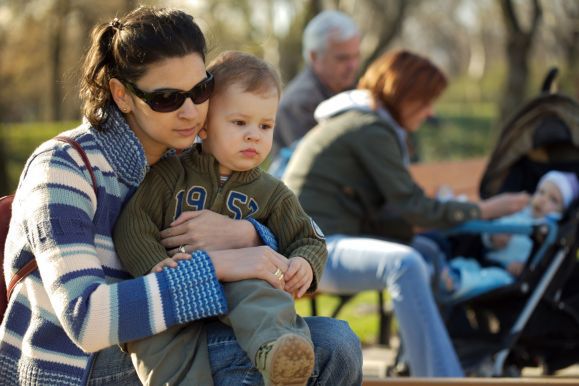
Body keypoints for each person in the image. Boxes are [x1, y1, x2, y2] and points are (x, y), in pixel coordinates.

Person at [0, 7, 363, 386]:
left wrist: (249, 234)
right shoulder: (64, 168)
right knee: (329, 348)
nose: (191, 111)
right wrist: (220, 265)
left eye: (200, 90)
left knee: (335, 341)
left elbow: (303, 229)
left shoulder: (187, 155)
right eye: (167, 98)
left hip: (178, 335)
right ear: (121, 95)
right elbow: (86, 320)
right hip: (78, 367)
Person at [284, 49, 530, 377]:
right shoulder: (370, 129)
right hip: (310, 253)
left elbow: (393, 214)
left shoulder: (364, 120)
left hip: (324, 241)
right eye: (425, 101)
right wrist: (485, 209)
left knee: (424, 251)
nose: (430, 112)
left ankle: (426, 366)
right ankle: (444, 379)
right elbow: (413, 207)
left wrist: (431, 241)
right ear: (404, 93)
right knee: (405, 263)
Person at [114, 51, 326, 386]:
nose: (254, 135)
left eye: (265, 125)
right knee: (157, 339)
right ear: (204, 125)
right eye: (240, 123)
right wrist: (154, 264)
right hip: (178, 288)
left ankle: (279, 355)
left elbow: (308, 237)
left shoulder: (273, 192)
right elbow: (133, 223)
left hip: (241, 288)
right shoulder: (172, 175)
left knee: (264, 296)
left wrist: (305, 262)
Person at [441, 170, 579, 301]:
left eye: (553, 200)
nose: (542, 200)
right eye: (541, 192)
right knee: (466, 263)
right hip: (486, 262)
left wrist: (524, 266)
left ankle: (455, 282)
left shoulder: (551, 231)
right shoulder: (518, 213)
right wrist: (492, 238)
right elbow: (492, 229)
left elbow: (544, 261)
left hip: (509, 275)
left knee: (495, 279)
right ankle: (443, 273)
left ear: (562, 211)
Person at [271, 9, 361, 157]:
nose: (353, 65)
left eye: (356, 56)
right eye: (342, 58)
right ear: (314, 57)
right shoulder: (299, 103)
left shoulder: (354, 91)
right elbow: (316, 165)